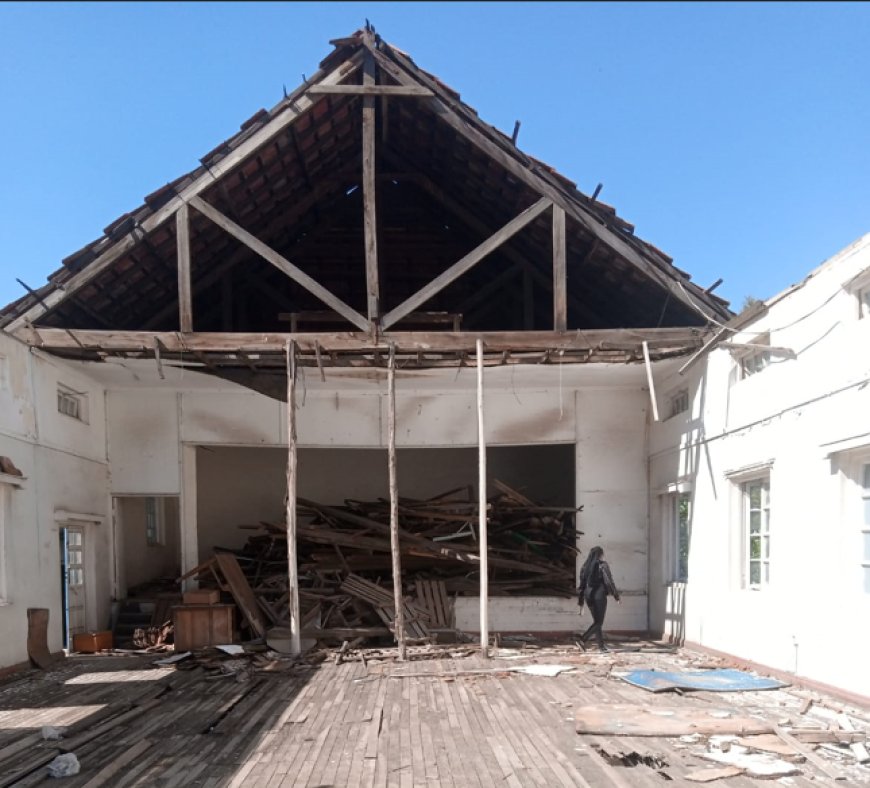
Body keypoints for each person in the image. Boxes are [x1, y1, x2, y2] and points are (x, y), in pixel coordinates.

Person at [576, 546, 620, 651]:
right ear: (600, 555)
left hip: (588, 595)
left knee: (597, 622)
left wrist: (581, 602)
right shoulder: (603, 565)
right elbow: (609, 580)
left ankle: (601, 647)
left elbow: (581, 586)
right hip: (599, 595)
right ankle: (582, 639)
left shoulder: (584, 567)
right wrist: (616, 596)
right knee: (599, 622)